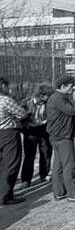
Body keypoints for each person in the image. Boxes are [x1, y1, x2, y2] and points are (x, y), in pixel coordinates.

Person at [46, 75, 75, 202]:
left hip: (57, 136)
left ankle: (59, 192)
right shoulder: (59, 98)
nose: (73, 88)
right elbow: (72, 111)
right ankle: (73, 194)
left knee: (58, 166)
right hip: (63, 136)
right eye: (71, 86)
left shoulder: (56, 97)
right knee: (69, 166)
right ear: (63, 86)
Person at [19, 84, 54, 188]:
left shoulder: (48, 103)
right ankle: (26, 180)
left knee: (46, 152)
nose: (49, 97)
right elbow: (19, 119)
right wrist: (24, 129)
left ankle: (44, 174)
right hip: (30, 131)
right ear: (41, 95)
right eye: (48, 95)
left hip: (43, 129)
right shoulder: (26, 102)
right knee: (29, 156)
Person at [0, 77, 28, 205]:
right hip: (8, 134)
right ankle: (6, 195)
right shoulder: (5, 100)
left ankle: (3, 192)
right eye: (7, 86)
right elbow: (22, 114)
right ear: (2, 86)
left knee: (1, 165)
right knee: (11, 164)